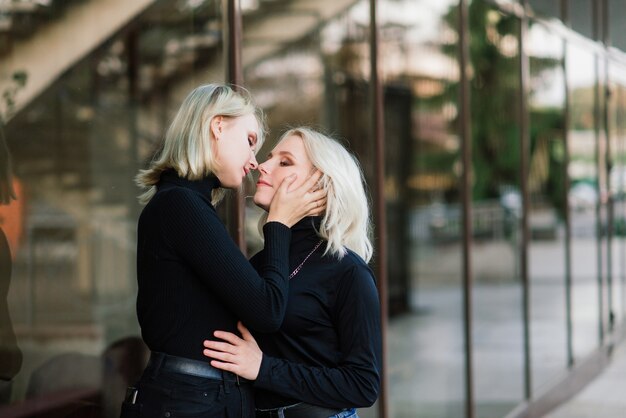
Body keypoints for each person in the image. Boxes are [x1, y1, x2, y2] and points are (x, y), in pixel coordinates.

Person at [127, 85, 326, 418]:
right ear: (218, 126)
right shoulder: (181, 205)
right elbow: (266, 309)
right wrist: (278, 223)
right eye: (249, 141)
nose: (253, 162)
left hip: (194, 396)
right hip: (190, 400)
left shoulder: (185, 204)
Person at [202, 127, 382, 418]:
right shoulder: (259, 265)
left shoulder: (347, 271)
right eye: (270, 157)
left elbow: (362, 385)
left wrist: (263, 368)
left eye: (284, 162)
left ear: (320, 185)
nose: (262, 165)